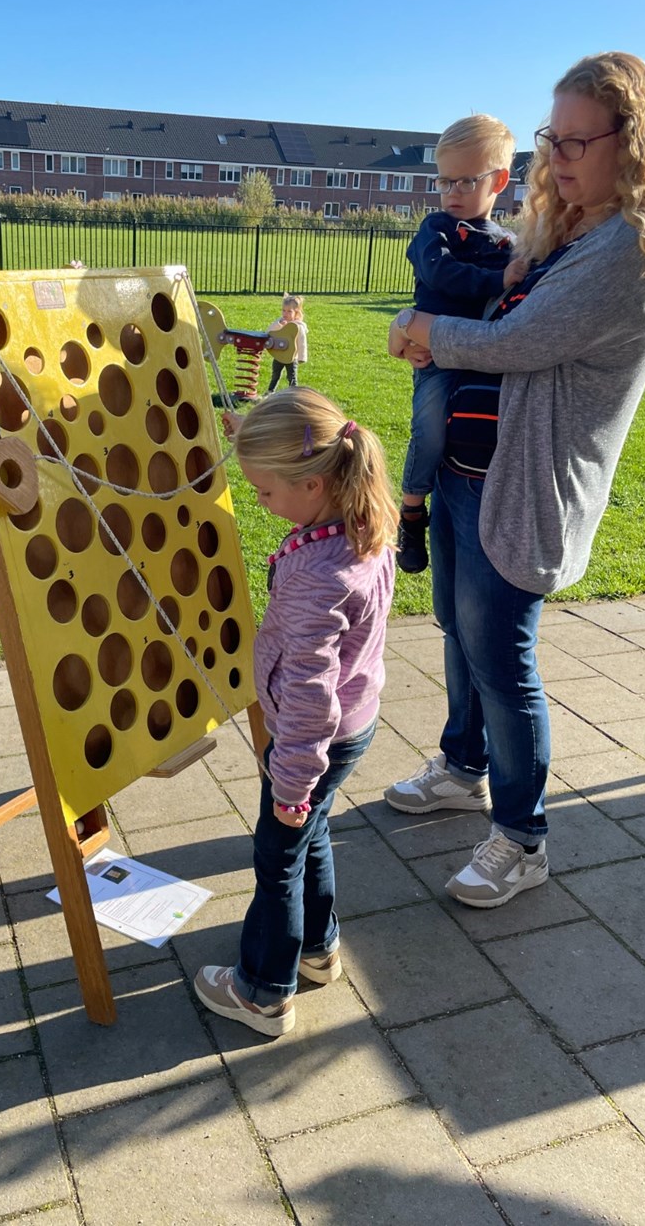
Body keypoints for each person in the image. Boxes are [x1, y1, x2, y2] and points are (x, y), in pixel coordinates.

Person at [384, 52, 645, 909]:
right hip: (468, 470)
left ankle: (522, 836)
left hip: (523, 487)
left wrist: (424, 328)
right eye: (548, 138)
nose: (555, 157)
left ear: (633, 143)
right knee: (457, 639)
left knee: (502, 660)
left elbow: (518, 343)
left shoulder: (632, 249)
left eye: (575, 140)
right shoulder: (569, 229)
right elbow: (497, 305)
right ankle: (463, 766)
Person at [195, 388, 398, 1035]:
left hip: (312, 741)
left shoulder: (318, 575)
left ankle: (263, 989)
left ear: (313, 484)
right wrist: (250, 434)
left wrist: (290, 783)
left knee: (278, 854)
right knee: (312, 838)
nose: (260, 501)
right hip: (352, 725)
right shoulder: (363, 521)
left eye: (264, 491)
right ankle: (318, 948)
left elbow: (311, 694)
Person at [397, 116, 528, 574]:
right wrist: (497, 278)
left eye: (465, 181)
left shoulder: (509, 242)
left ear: (499, 181)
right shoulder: (436, 230)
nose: (452, 192)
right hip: (434, 353)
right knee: (429, 428)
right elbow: (440, 274)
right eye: (444, 180)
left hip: (481, 358)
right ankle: (411, 510)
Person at [265, 293, 309, 393]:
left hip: (292, 357)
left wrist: (302, 357)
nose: (285, 314)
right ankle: (270, 391)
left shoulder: (298, 327)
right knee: (275, 374)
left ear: (296, 313)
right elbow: (268, 332)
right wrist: (278, 325)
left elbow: (302, 343)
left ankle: (293, 393)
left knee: (292, 376)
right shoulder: (280, 322)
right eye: (284, 310)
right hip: (279, 354)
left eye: (289, 311)